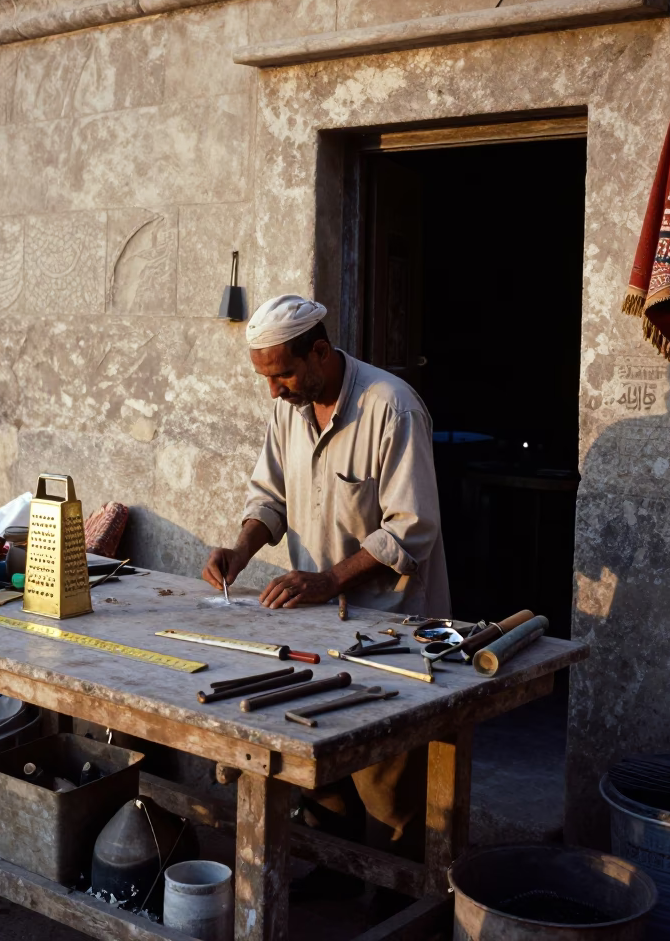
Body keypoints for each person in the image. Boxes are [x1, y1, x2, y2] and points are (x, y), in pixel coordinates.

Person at [201, 293, 451, 900]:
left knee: (386, 782)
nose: (273, 390)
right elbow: (269, 498)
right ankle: (332, 877)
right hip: (315, 623)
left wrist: (331, 580)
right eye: (264, 377)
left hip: (390, 629)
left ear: (319, 352)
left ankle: (399, 904)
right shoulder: (288, 409)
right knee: (317, 761)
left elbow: (410, 529)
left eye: (282, 373)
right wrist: (242, 549)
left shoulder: (391, 407)